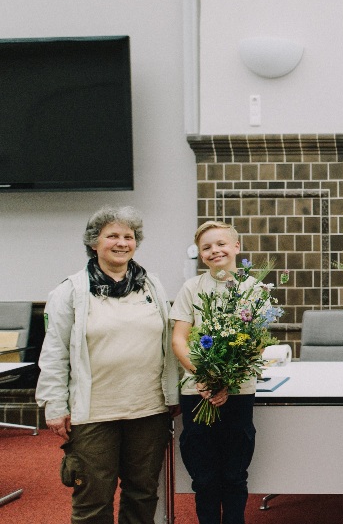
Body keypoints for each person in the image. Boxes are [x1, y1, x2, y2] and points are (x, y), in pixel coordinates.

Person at [36, 206, 179, 524]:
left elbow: (168, 344)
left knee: (142, 495)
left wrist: (172, 393)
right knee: (92, 500)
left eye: (129, 236)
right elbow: (54, 352)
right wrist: (54, 405)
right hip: (94, 413)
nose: (122, 242)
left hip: (148, 409)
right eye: (112, 235)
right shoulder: (70, 291)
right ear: (94, 243)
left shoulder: (152, 286)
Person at [171, 221, 258, 524]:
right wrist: (204, 376)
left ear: (236, 247)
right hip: (197, 393)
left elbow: (256, 345)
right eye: (206, 247)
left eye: (221, 244)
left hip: (238, 394)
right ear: (200, 255)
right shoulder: (191, 289)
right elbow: (179, 338)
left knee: (235, 476)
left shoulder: (254, 289)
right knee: (205, 478)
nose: (214, 251)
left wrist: (227, 382)